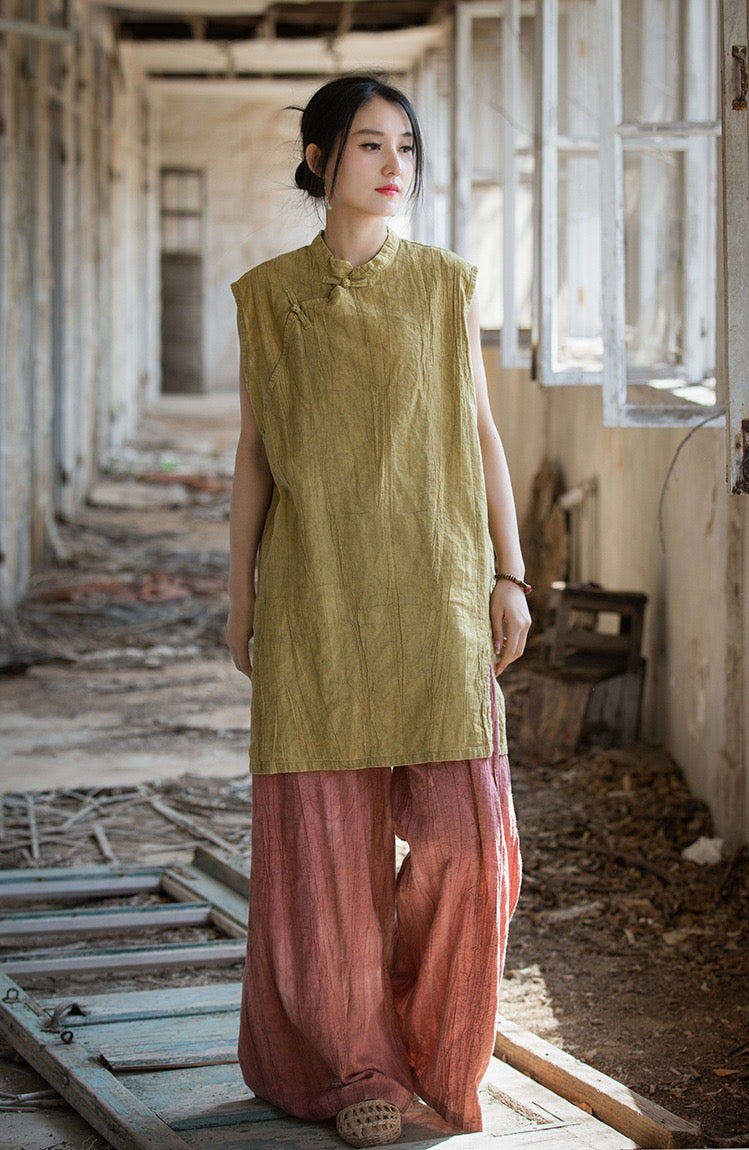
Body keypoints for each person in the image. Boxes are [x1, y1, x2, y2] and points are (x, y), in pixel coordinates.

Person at [226, 73, 529, 1149]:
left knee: (467, 845)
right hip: (315, 598)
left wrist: (511, 573)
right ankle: (358, 1063)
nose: (394, 164)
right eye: (368, 144)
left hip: (437, 594)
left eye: (405, 145)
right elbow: (255, 455)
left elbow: (483, 433)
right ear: (319, 160)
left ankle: (426, 1041)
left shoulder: (445, 285)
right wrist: (238, 597)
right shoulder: (268, 297)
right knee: (326, 860)